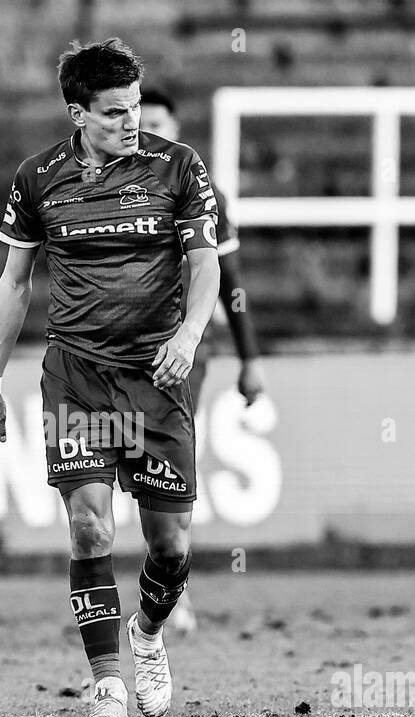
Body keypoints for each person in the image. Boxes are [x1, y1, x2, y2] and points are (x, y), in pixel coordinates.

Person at [0, 38, 220, 717]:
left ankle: (146, 633)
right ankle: (106, 682)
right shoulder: (38, 178)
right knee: (88, 530)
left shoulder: (177, 168)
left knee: (169, 548)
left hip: (157, 377)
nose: (131, 121)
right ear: (78, 113)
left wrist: (189, 335)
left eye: (135, 107)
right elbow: (14, 283)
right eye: (114, 112)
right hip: (77, 378)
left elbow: (205, 267)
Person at [138, 87, 266, 636]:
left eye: (160, 121)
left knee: (169, 470)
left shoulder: (203, 191)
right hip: (123, 349)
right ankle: (160, 586)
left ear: (177, 125)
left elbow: (229, 285)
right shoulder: (114, 187)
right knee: (124, 470)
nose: (151, 130)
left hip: (188, 349)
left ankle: (173, 594)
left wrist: (250, 358)